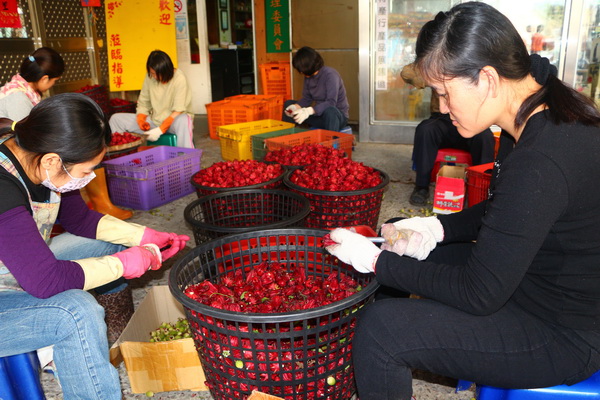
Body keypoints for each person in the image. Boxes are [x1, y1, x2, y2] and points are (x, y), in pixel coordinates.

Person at [325, 3, 600, 400]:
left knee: (382, 330)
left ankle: (383, 353)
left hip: (563, 331)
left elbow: (479, 292)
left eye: (444, 93)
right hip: (534, 278)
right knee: (403, 244)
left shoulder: (542, 157)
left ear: (487, 78)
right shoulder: (536, 108)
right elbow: (510, 210)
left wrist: (376, 263)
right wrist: (438, 227)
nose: (441, 108)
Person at [0, 93, 190, 400]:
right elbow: (45, 281)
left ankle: (108, 342)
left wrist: (142, 237)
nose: (89, 178)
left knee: (106, 243)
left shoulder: (41, 155)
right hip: (8, 292)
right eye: (87, 169)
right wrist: (124, 264)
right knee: (76, 313)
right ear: (52, 160)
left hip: (16, 269)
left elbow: (81, 220)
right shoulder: (4, 185)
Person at [401, 62, 495, 206]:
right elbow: (407, 73)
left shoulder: (477, 63)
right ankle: (421, 186)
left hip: (470, 120)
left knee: (485, 136)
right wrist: (434, 72)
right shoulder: (438, 62)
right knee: (425, 129)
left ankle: (482, 189)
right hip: (442, 119)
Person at [109, 50, 194, 148]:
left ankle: (186, 158)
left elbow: (178, 110)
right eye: (153, 73)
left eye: (159, 74)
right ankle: (121, 157)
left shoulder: (179, 78)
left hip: (173, 123)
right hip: (155, 120)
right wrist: (141, 119)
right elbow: (143, 102)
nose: (155, 77)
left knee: (183, 120)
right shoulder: (150, 77)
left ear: (168, 70)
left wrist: (160, 130)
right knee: (116, 119)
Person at [282, 46, 349, 132]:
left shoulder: (330, 75)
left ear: (308, 66)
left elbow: (331, 102)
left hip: (336, 118)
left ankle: (332, 143)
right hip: (319, 116)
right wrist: (295, 107)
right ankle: (287, 138)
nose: (301, 72)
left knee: (330, 111)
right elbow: (307, 98)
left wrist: (309, 111)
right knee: (288, 104)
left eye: (301, 69)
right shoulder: (308, 76)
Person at [0, 47, 65, 121]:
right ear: (45, 79)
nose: (53, 84)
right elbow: (25, 131)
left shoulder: (19, 87)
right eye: (55, 80)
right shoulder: (19, 98)